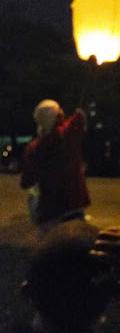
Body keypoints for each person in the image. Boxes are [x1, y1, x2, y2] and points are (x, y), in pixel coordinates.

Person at [20, 99, 91, 234]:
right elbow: (80, 116)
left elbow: (26, 182)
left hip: (49, 212)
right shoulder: (66, 134)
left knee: (49, 251)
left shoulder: (33, 148)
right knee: (76, 249)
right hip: (73, 206)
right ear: (58, 117)